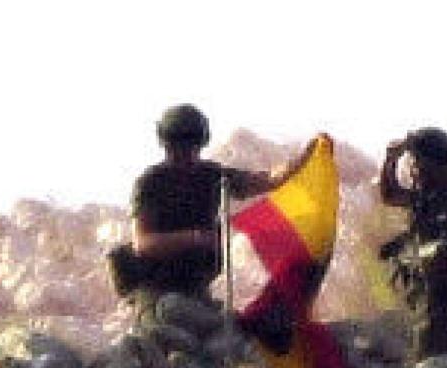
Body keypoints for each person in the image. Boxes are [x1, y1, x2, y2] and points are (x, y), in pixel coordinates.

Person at [120, 103, 314, 325]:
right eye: (179, 147)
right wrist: (193, 238)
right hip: (156, 295)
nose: (186, 154)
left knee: (236, 332)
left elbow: (264, 180)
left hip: (195, 292)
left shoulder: (211, 176)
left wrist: (298, 164)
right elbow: (143, 243)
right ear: (167, 145)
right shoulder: (150, 183)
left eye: (191, 146)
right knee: (175, 318)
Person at [378, 127, 447, 360]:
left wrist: (433, 253)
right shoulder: (425, 199)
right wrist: (391, 159)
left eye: (419, 164)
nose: (415, 171)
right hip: (420, 296)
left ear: (437, 166)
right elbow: (390, 194)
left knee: (435, 357)